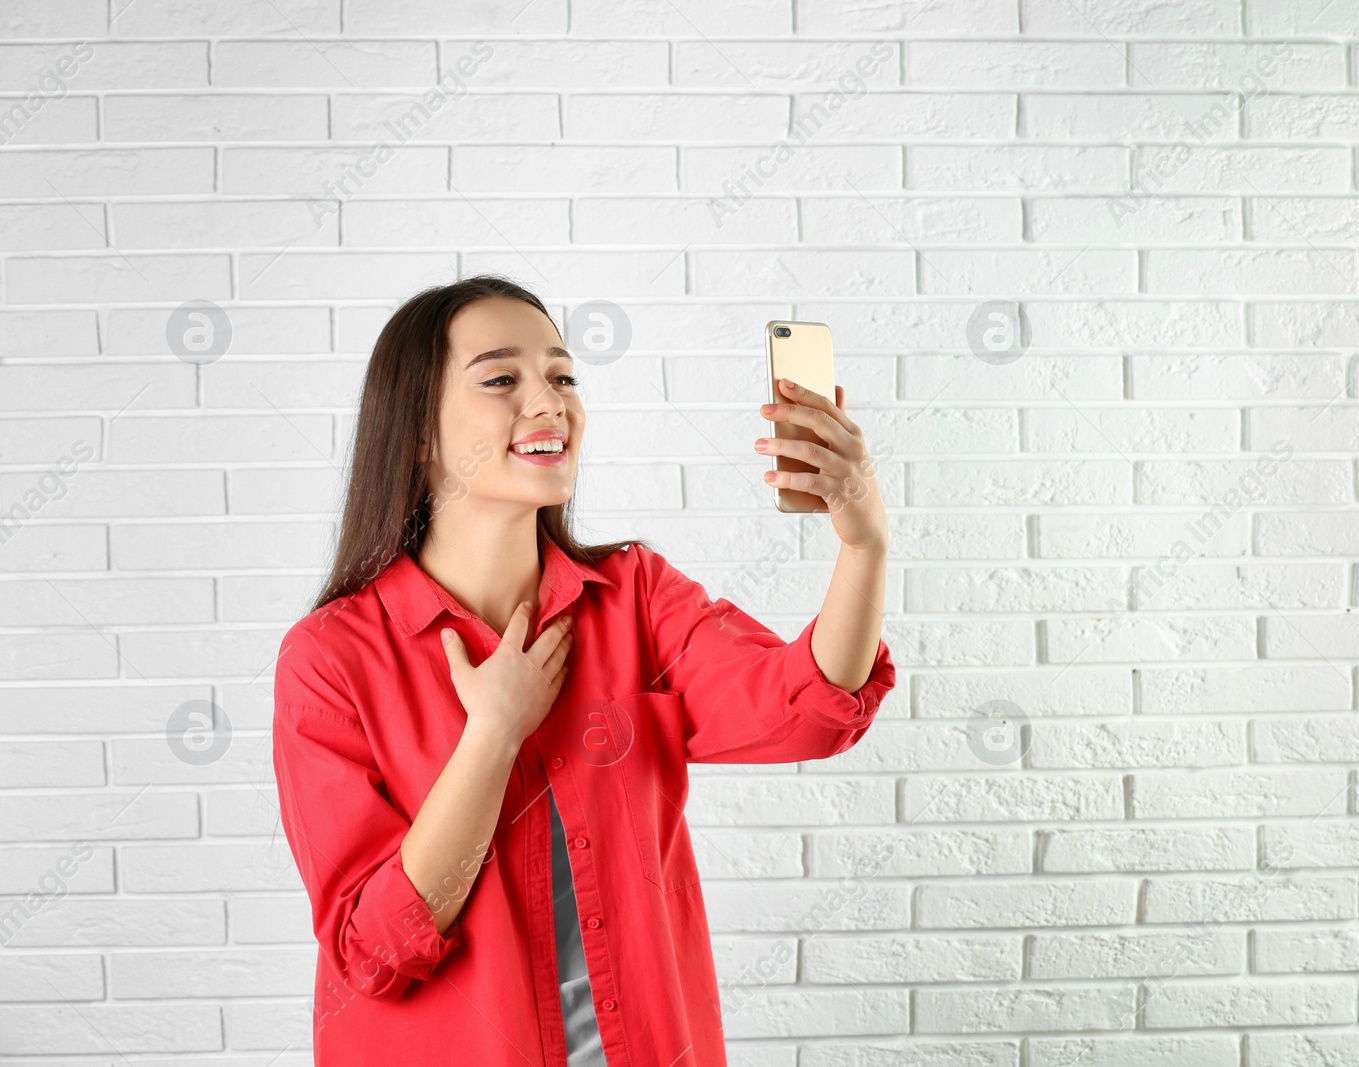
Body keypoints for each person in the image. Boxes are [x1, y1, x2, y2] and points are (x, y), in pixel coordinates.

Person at [270, 275, 896, 1066]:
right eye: (502, 379)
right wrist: (493, 733)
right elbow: (373, 950)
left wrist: (863, 544)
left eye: (563, 376)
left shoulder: (634, 598)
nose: (550, 401)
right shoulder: (332, 658)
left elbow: (806, 706)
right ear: (418, 435)